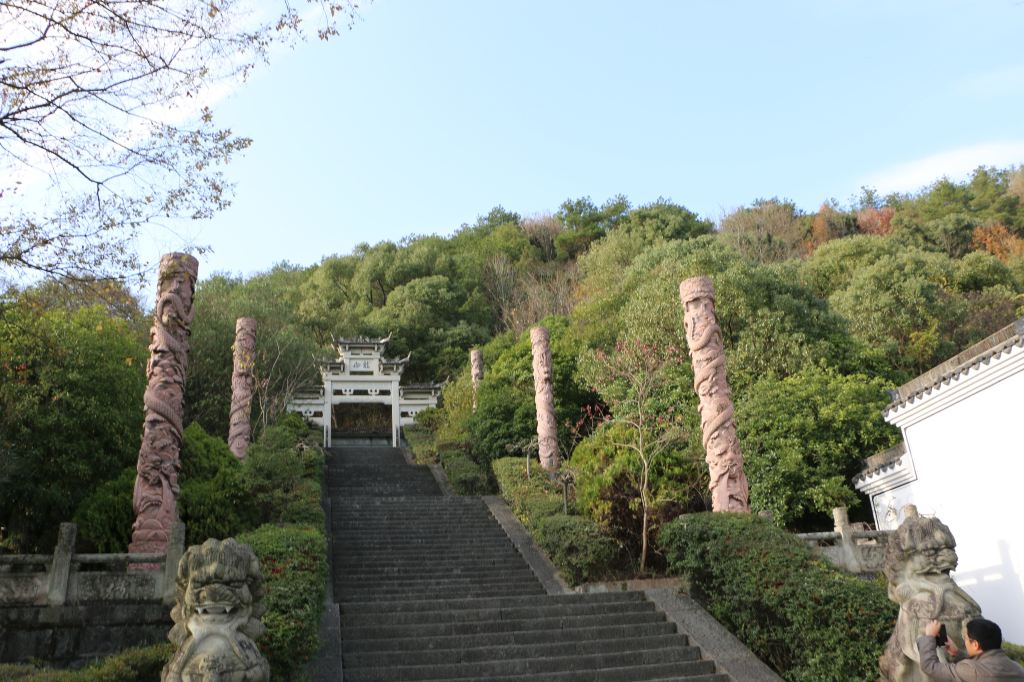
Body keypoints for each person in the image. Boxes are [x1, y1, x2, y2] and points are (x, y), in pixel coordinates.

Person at [917, 618, 1024, 680]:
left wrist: (929, 636)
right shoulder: (1017, 668)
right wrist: (957, 653)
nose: (965, 641)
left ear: (975, 644)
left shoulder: (972, 671)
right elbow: (985, 666)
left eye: (966, 638)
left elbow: (930, 667)